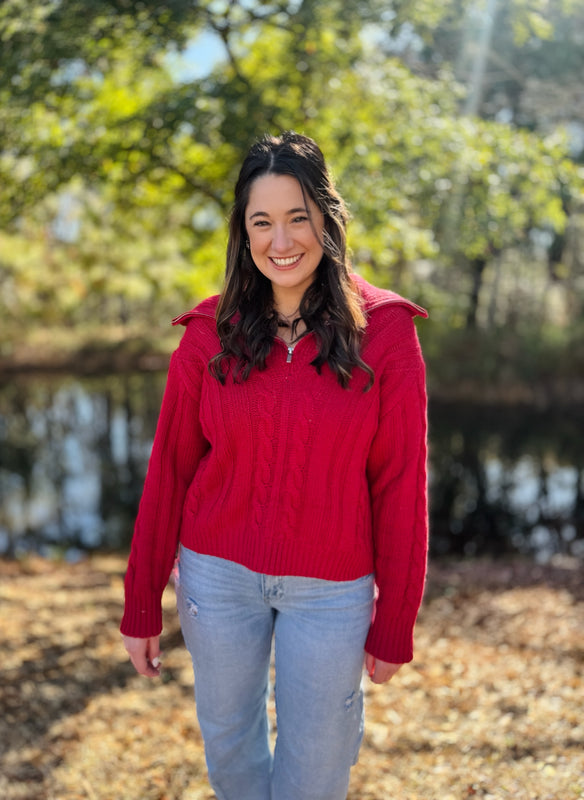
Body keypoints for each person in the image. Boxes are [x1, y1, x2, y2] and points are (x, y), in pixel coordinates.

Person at [120, 131, 428, 800]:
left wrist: (395, 617)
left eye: (298, 217)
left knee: (314, 776)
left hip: (333, 592)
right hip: (217, 583)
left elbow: (401, 484)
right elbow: (169, 470)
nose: (281, 239)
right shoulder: (208, 334)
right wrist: (141, 600)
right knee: (230, 754)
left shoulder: (389, 332)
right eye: (262, 221)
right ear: (243, 232)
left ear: (327, 218)